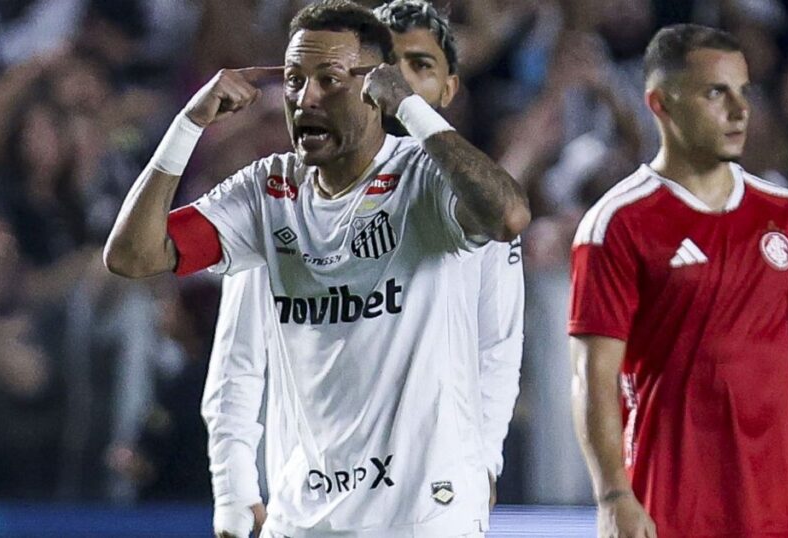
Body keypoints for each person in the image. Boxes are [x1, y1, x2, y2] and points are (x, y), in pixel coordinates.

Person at [103, 0, 530, 536]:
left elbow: (508, 218)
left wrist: (410, 108)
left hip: (423, 515)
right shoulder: (267, 191)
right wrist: (187, 124)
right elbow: (132, 255)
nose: (305, 99)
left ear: (376, 89)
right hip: (303, 516)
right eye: (294, 80)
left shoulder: (427, 181)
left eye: (329, 80)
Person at [567, 24, 788, 538]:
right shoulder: (617, 223)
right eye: (716, 93)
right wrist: (613, 496)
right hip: (669, 512)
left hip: (781, 517)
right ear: (661, 105)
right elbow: (593, 378)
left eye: (743, 91)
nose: (739, 110)